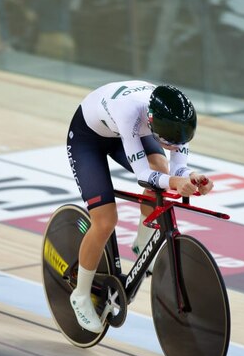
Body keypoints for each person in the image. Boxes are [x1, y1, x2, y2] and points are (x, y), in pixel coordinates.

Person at [67, 82, 214, 332]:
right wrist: (176, 182)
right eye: (169, 143)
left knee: (163, 171)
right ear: (155, 125)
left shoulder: (177, 118)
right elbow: (144, 176)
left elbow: (177, 169)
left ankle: (142, 244)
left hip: (125, 132)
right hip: (88, 139)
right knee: (105, 221)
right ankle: (80, 296)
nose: (175, 147)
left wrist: (192, 178)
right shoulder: (129, 112)